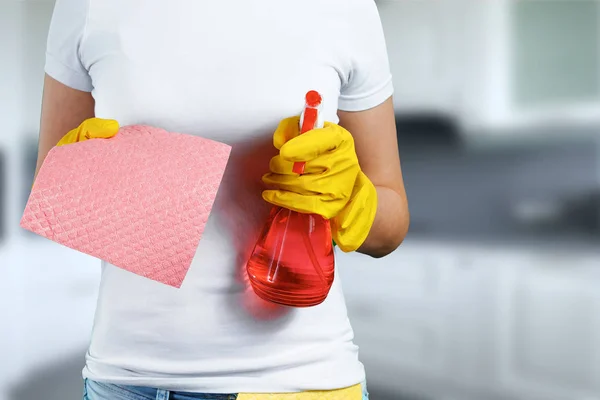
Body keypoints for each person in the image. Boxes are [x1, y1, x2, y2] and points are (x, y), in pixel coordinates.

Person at [35, 0, 410, 398]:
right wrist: (85, 187)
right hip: (127, 381)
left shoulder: (344, 8)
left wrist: (353, 198)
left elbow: (391, 223)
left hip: (300, 379)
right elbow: (48, 188)